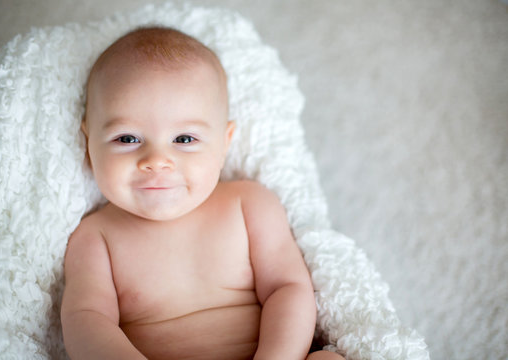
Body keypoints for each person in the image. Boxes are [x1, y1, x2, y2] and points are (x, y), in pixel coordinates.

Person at [60, 26, 345, 360]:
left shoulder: (249, 206)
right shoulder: (94, 236)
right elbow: (85, 320)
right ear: (89, 142)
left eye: (184, 139)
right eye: (127, 139)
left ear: (224, 144)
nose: (156, 162)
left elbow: (289, 289)